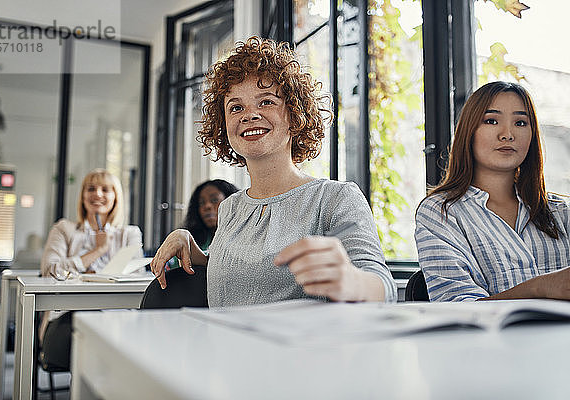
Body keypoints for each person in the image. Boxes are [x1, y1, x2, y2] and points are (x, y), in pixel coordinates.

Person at [151, 36, 397, 306]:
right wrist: (185, 241)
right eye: (236, 107)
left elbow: (383, 288)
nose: (249, 115)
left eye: (266, 102)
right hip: (223, 347)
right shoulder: (230, 207)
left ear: (295, 114)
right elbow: (239, 276)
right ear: (224, 125)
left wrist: (353, 281)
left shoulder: (335, 198)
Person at [415, 81, 570, 302]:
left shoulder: (559, 212)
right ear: (469, 131)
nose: (507, 134)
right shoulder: (441, 212)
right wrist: (539, 288)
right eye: (491, 120)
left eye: (520, 122)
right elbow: (456, 308)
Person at [39, 168, 143, 369]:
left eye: (106, 189)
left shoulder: (129, 233)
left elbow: (136, 277)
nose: (98, 194)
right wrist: (98, 250)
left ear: (116, 197)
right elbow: (50, 270)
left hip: (116, 316)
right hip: (67, 316)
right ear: (83, 196)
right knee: (91, 340)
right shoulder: (64, 229)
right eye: (91, 189)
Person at [165, 179, 239, 269]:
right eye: (201, 203)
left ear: (232, 203)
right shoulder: (194, 237)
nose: (207, 206)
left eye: (214, 200)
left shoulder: (242, 239)